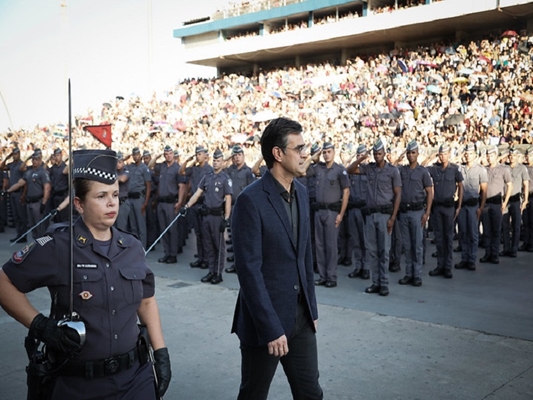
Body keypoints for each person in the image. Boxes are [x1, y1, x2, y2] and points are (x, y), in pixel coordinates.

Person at [0, 149, 171, 399]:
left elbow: (145, 300)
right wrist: (40, 326)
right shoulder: (59, 246)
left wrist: (161, 352)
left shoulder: (132, 246)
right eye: (101, 196)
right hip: (78, 384)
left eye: (114, 194)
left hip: (135, 378)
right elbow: (4, 282)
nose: (112, 202)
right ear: (79, 204)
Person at [231, 117, 323, 400]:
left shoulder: (302, 193)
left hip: (300, 317)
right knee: (254, 394)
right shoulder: (251, 200)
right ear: (278, 154)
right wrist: (271, 328)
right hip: (264, 321)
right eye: (299, 148)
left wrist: (312, 311)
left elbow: (304, 257)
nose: (305, 153)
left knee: (311, 394)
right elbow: (249, 272)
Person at [346, 138, 402, 297]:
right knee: (372, 250)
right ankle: (375, 282)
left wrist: (393, 217)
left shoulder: (392, 171)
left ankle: (384, 284)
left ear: (384, 154)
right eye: (375, 154)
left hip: (385, 215)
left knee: (384, 251)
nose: (377, 156)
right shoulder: (368, 169)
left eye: (379, 154)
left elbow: (398, 195)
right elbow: (349, 170)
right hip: (370, 215)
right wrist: (362, 158)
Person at [181, 148, 232, 284]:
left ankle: (218, 273)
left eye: (218, 160)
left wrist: (226, 218)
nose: (216, 163)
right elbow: (197, 194)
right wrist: (186, 206)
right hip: (206, 215)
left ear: (222, 162)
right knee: (208, 244)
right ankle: (211, 270)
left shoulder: (225, 179)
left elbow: (228, 199)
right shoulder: (207, 177)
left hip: (217, 216)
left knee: (218, 246)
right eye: (214, 160)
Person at [307, 142, 350, 288]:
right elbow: (302, 170)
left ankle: (331, 276)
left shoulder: (339, 170)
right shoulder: (318, 168)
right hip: (319, 211)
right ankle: (323, 275)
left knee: (331, 245)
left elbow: (346, 192)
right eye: (324, 152)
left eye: (328, 152)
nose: (326, 155)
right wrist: (314, 157)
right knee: (319, 245)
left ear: (334, 152)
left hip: (332, 212)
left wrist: (341, 214)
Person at [397, 140, 433, 287]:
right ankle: (408, 273)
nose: (411, 155)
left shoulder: (423, 172)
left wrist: (427, 213)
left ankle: (417, 275)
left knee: (417, 244)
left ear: (418, 154)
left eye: (413, 152)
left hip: (418, 211)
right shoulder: (402, 170)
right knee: (407, 245)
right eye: (409, 153)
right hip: (404, 212)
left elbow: (430, 193)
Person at [427, 144, 463, 279]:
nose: (442, 157)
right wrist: (431, 158)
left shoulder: (454, 170)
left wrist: (459, 205)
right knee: (439, 238)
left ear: (449, 154)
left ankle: (447, 267)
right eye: (440, 154)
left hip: (449, 207)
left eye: (445, 154)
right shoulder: (434, 169)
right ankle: (440, 265)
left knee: (448, 238)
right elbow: (421, 168)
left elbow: (460, 186)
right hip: (437, 207)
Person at [454, 144, 487, 271]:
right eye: (466, 153)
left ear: (475, 155)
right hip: (462, 205)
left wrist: (481, 207)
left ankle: (472, 259)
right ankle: (464, 259)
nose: (468, 155)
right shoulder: (460, 169)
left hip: (474, 205)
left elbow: (484, 190)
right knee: (463, 232)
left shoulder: (480, 170)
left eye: (470, 153)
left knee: (473, 234)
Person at [180, 146, 213, 269]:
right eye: (196, 154)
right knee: (198, 233)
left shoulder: (210, 169)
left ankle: (207, 259)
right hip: (194, 204)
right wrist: (189, 159)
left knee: (206, 234)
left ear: (205, 155)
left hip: (205, 203)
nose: (198, 156)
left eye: (200, 154)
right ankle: (200, 257)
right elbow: (181, 171)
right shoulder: (193, 169)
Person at [7, 149, 51, 240]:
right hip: (29, 202)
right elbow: (19, 183)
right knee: (32, 225)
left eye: (37, 159)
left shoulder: (42, 172)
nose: (34, 161)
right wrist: (7, 191)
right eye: (33, 159)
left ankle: (41, 246)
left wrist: (44, 202)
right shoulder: (29, 172)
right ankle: (35, 245)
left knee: (39, 225)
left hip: (38, 202)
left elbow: (47, 188)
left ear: (40, 160)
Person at [224, 145, 255, 273]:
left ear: (243, 155)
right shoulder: (231, 170)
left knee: (243, 238)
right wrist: (228, 158)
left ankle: (243, 265)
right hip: (232, 206)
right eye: (234, 155)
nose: (237, 158)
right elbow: (220, 168)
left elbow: (252, 191)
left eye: (239, 155)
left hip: (243, 207)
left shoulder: (248, 172)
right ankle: (237, 263)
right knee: (235, 237)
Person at [480, 146, 513, 264]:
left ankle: (494, 254)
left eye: (492, 155)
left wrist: (505, 201)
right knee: (487, 230)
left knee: (496, 230)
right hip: (486, 203)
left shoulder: (503, 169)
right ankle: (488, 253)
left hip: (497, 203)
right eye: (488, 155)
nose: (489, 158)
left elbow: (509, 185)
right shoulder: (484, 170)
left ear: (496, 156)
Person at [156, 145, 186, 264]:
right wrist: (158, 156)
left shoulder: (178, 168)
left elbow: (182, 187)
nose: (168, 156)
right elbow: (151, 165)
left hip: (171, 202)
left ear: (174, 154)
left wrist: (179, 202)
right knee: (163, 229)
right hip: (161, 201)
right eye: (166, 154)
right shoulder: (162, 166)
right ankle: (166, 253)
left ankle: (173, 254)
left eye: (170, 153)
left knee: (172, 230)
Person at [346, 144, 370, 280]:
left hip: (364, 210)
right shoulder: (353, 169)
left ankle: (366, 267)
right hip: (353, 208)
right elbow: (348, 170)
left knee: (365, 240)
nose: (361, 157)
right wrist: (359, 160)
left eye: (363, 155)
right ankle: (358, 266)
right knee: (355, 240)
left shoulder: (369, 169)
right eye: (359, 155)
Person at [500, 147, 529, 258]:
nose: (512, 157)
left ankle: (514, 249)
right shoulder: (504, 168)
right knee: (505, 225)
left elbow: (525, 185)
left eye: (514, 156)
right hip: (505, 200)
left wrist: (525, 200)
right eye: (510, 155)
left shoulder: (522, 169)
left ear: (518, 157)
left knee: (516, 226)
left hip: (516, 199)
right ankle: (506, 248)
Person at [1, 147, 28, 243]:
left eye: (16, 154)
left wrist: (24, 194)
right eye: (14, 154)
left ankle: (23, 235)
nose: (15, 156)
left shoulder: (22, 165)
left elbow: (25, 181)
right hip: (12, 193)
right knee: (16, 215)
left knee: (22, 216)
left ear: (19, 154)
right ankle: (19, 234)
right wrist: (7, 157)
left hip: (19, 192)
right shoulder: (11, 165)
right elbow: (2, 166)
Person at [127, 147, 151, 248]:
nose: (135, 156)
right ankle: (135, 248)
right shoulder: (130, 167)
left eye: (137, 154)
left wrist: (145, 203)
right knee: (133, 227)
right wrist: (125, 158)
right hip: (130, 198)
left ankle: (142, 248)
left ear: (140, 155)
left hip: (139, 199)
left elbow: (148, 186)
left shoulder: (144, 168)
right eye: (134, 155)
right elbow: (117, 165)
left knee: (141, 226)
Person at [48, 148, 69, 223]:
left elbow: (69, 182)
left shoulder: (65, 168)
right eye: (55, 155)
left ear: (61, 155)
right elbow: (45, 169)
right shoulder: (54, 168)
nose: (57, 157)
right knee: (56, 219)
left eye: (58, 155)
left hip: (63, 196)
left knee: (63, 219)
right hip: (55, 196)